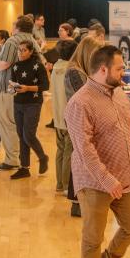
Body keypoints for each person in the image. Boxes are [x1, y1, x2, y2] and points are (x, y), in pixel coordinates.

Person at [65, 45, 130, 258]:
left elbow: (128, 132)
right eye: (120, 68)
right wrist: (107, 180)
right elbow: (84, 149)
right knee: (92, 238)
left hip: (126, 175)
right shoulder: (80, 102)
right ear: (102, 69)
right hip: (94, 181)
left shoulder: (120, 94)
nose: (125, 72)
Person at [0, 16, 41, 171]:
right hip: (26, 92)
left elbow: (4, 63)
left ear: (17, 27)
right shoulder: (34, 42)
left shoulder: (12, 41)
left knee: (7, 125)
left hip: (7, 89)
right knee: (20, 126)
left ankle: (12, 159)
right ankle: (22, 157)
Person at [64, 36, 106, 217]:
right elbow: (86, 97)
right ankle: (77, 202)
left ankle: (81, 201)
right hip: (79, 122)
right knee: (81, 160)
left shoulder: (78, 70)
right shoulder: (75, 72)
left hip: (81, 121)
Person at [8, 41, 50, 179]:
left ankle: (42, 157)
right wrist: (12, 88)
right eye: (19, 50)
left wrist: (28, 88)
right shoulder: (15, 66)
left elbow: (45, 85)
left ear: (31, 51)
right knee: (21, 135)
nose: (20, 52)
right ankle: (24, 168)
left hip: (33, 103)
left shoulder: (37, 65)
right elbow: (12, 83)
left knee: (28, 135)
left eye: (24, 50)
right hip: (18, 102)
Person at [51, 40, 78, 192]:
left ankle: (59, 184)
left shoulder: (55, 68)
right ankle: (68, 185)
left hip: (57, 117)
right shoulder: (71, 70)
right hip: (69, 117)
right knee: (69, 151)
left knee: (60, 150)